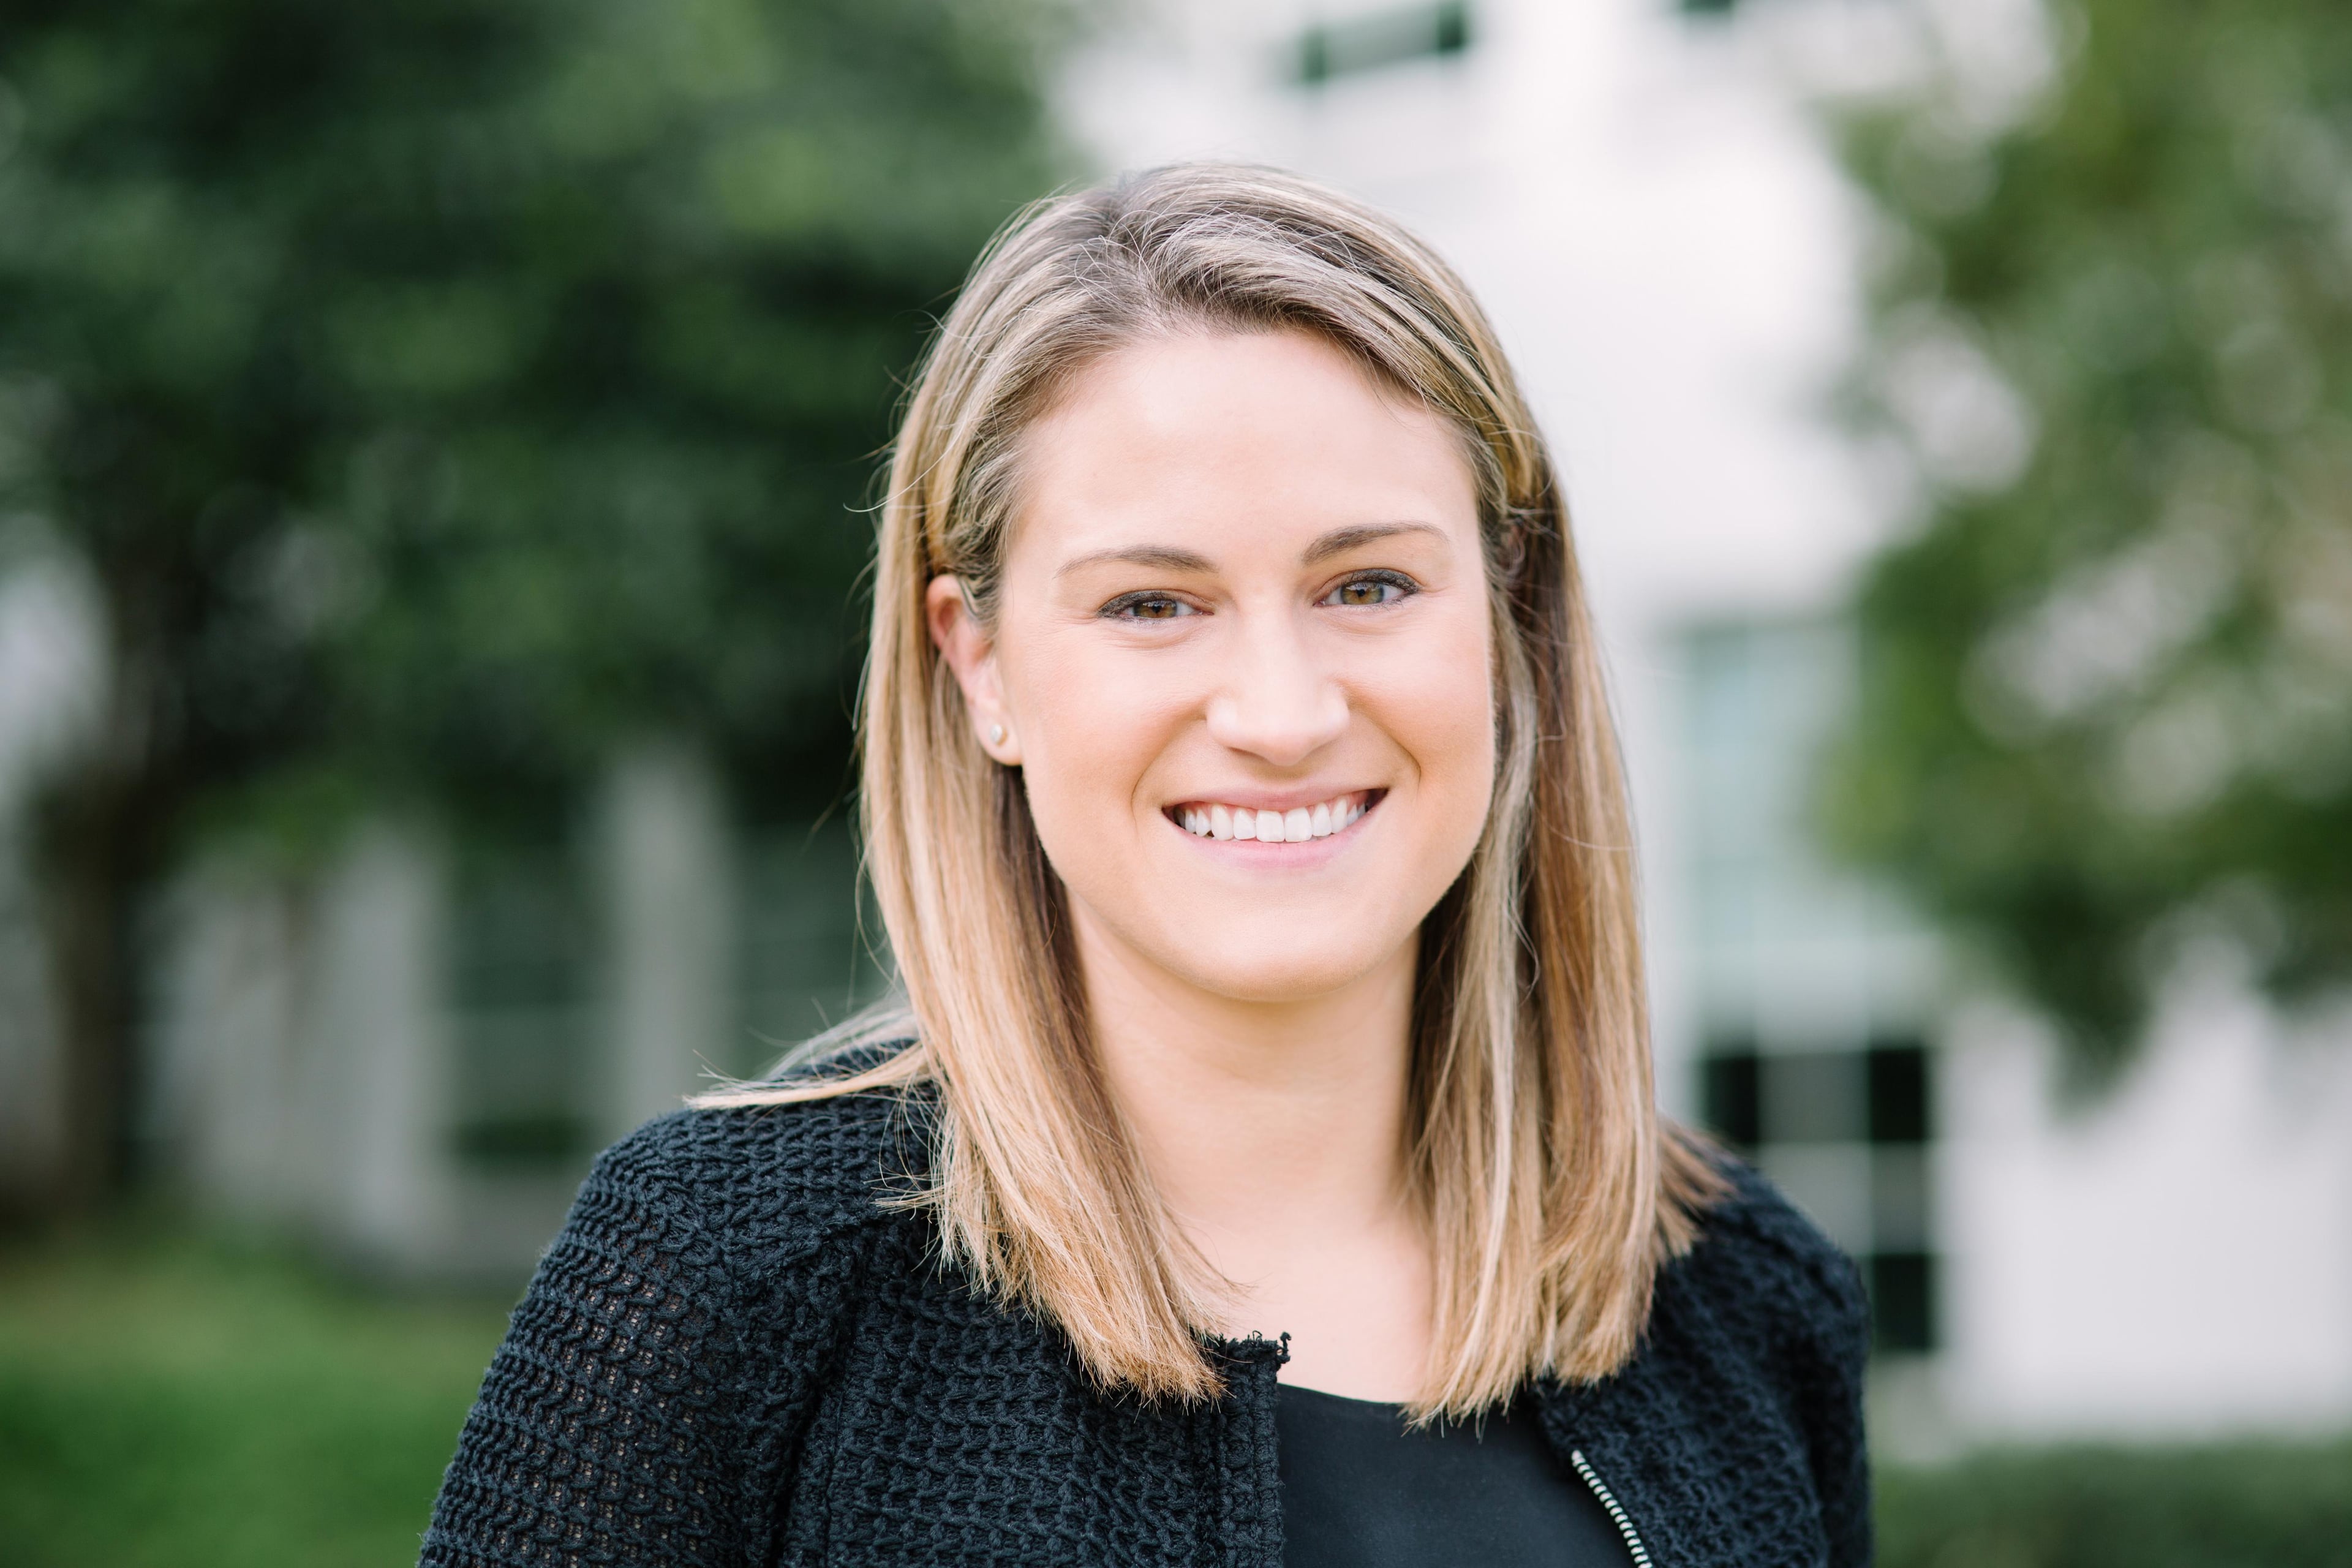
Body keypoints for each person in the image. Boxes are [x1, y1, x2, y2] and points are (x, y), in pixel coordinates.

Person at [421, 163, 1871, 1568]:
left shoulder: (1748, 1301)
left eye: (1368, 585)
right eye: (1154, 603)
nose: (1281, 714)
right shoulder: (727, 1274)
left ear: (1509, 621)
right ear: (980, 664)